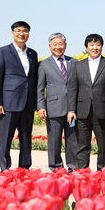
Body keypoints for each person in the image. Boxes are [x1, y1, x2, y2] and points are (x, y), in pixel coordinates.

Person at [0, 21, 38, 170]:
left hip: (28, 103)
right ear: (12, 33)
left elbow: (33, 78)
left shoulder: (32, 53)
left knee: (26, 138)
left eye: (25, 31)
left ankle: (24, 169)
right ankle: (5, 169)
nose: (21, 34)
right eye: (18, 30)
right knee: (6, 139)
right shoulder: (2, 51)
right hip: (9, 102)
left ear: (28, 34)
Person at [67, 34, 105, 170]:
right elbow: (72, 89)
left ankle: (103, 172)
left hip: (103, 110)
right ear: (86, 47)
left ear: (102, 46)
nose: (95, 48)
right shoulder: (78, 65)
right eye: (92, 45)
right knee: (82, 145)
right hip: (82, 111)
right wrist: (71, 110)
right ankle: (82, 173)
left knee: (103, 145)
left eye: (98, 45)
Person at [37, 33, 77, 172]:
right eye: (55, 44)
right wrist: (41, 106)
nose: (58, 47)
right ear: (49, 47)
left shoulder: (74, 62)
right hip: (53, 108)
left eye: (61, 44)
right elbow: (40, 88)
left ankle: (73, 167)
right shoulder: (44, 64)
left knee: (72, 140)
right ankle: (56, 168)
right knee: (54, 141)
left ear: (65, 45)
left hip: (72, 108)